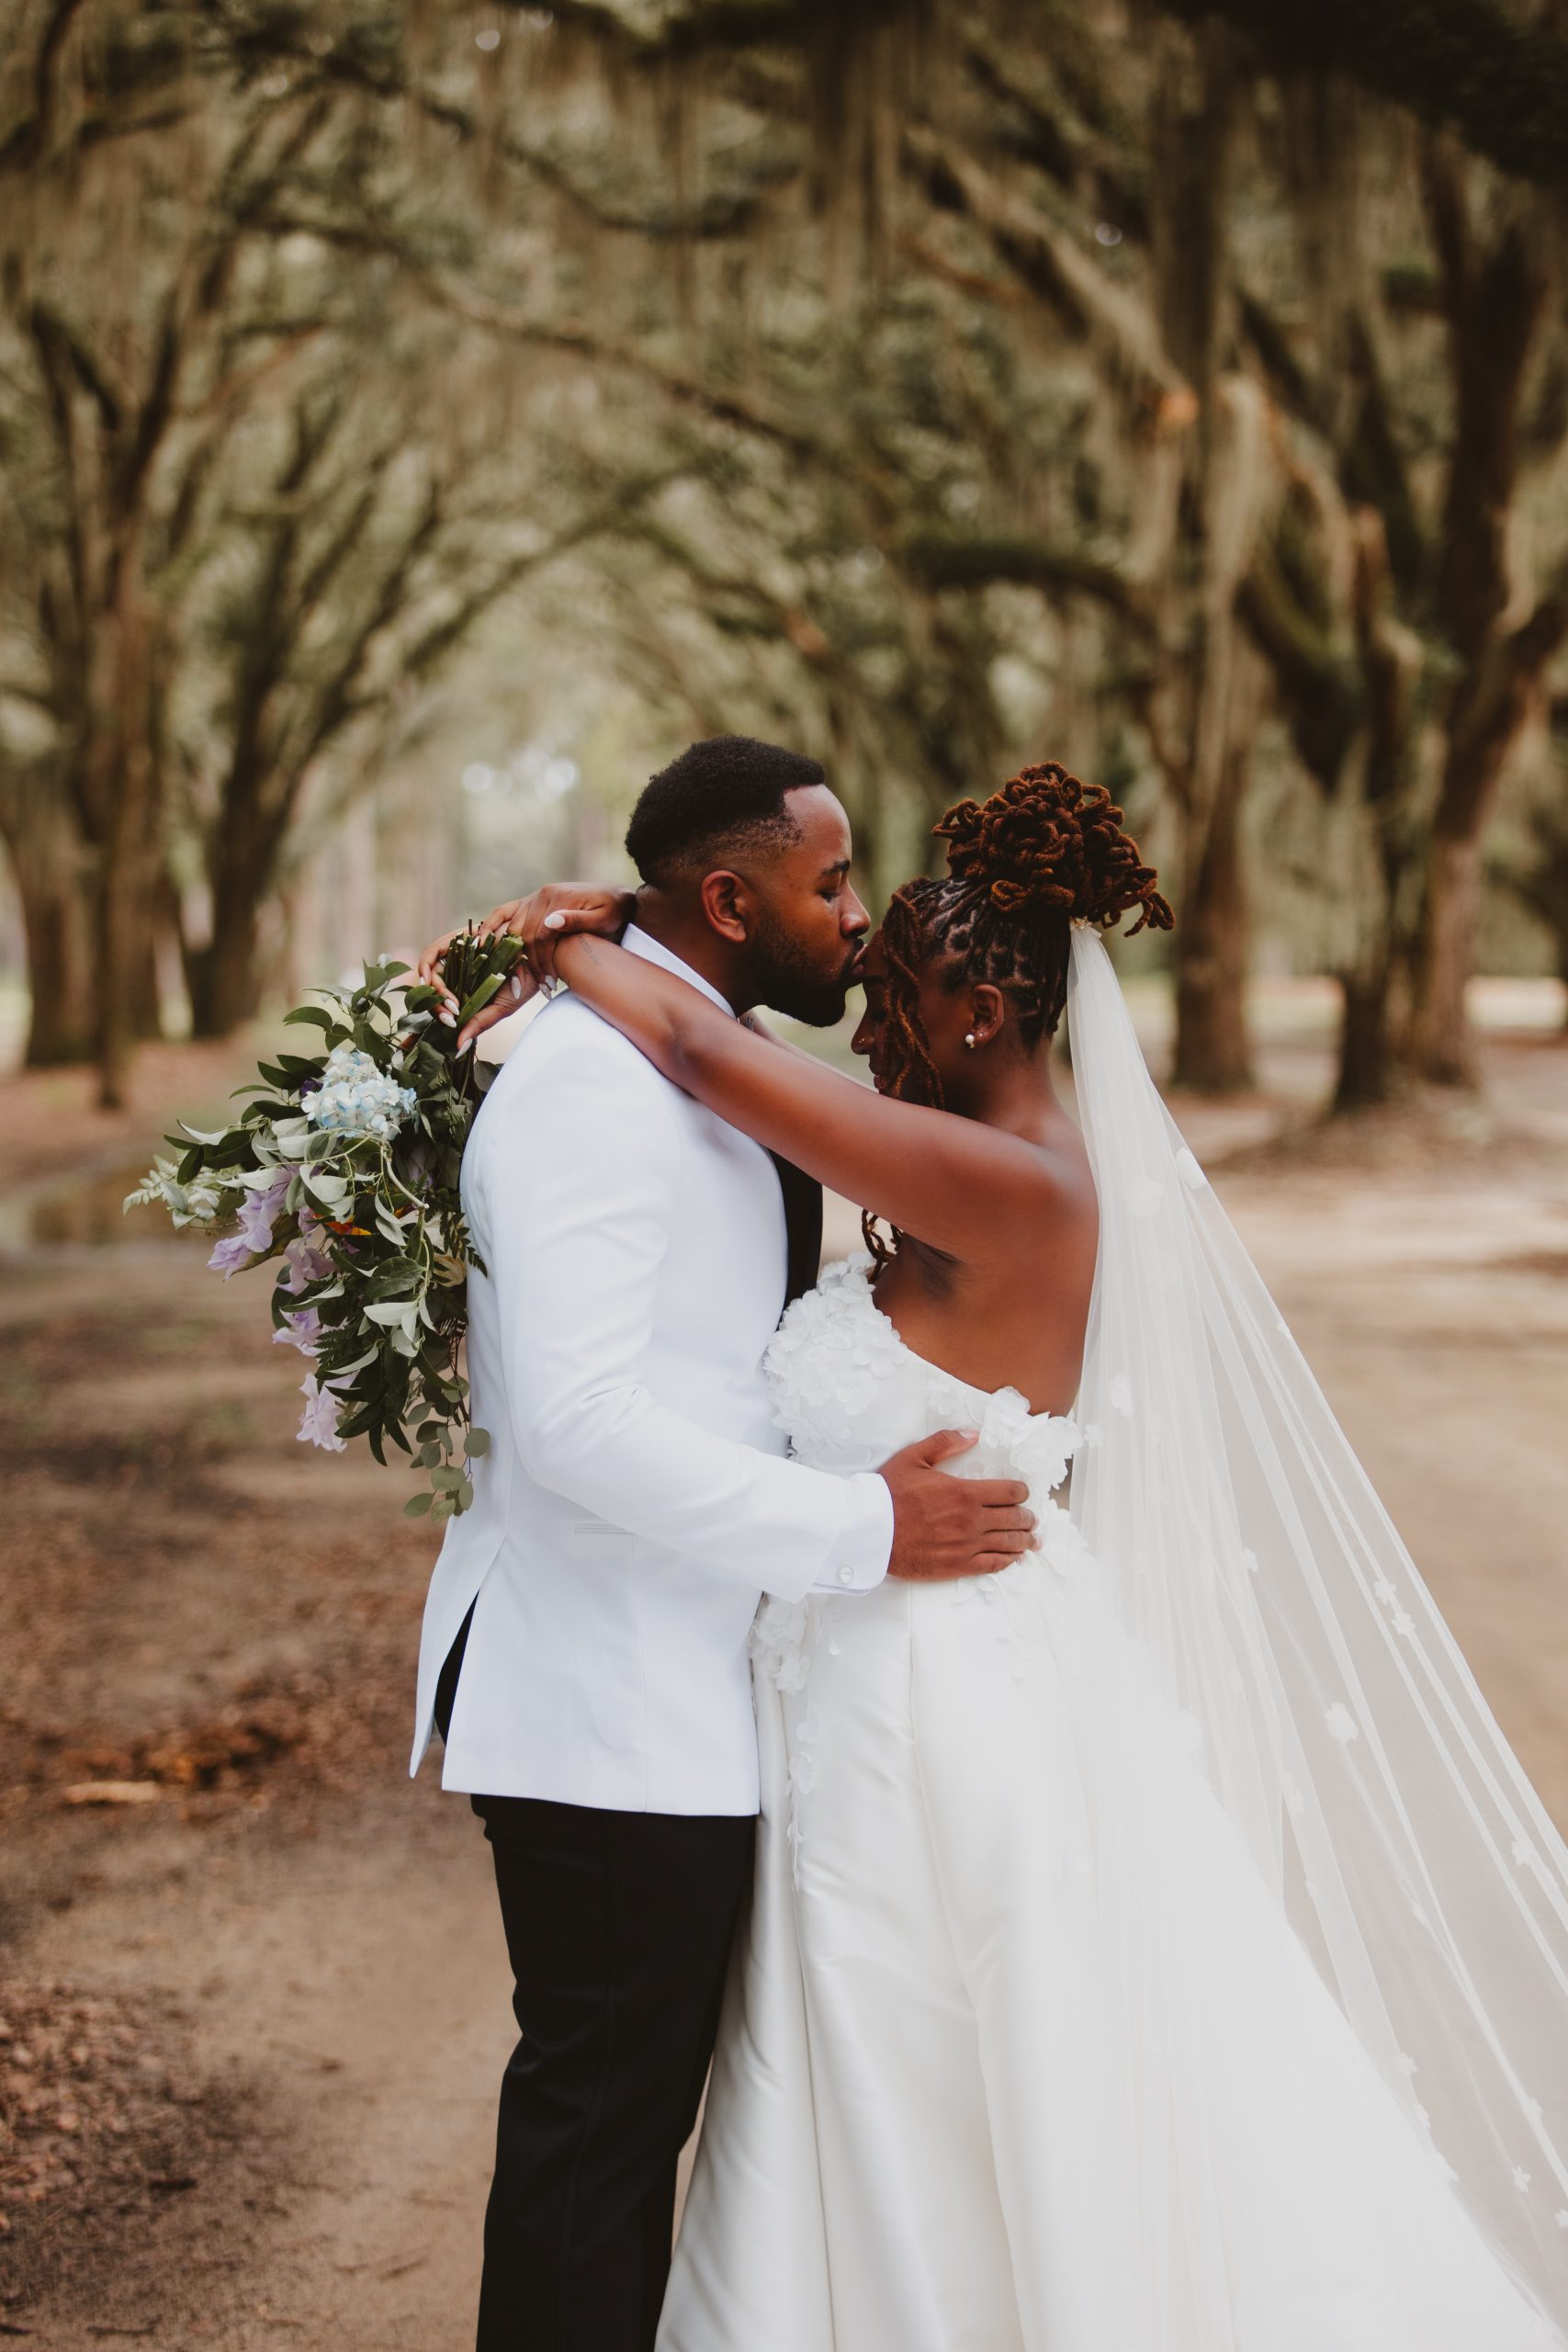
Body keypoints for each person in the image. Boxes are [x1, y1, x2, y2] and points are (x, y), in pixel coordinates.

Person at [447, 760, 1568, 2351]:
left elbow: (699, 1046)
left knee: (962, 2060)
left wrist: (562, 934)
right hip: (851, 1685)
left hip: (945, 1693)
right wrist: (622, 931)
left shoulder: (1007, 1182)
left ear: (980, 1013)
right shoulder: (960, 1149)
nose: (862, 1010)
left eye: (888, 992)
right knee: (869, 2074)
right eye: (836, 905)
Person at [408, 734, 1038, 2352]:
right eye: (830, 883)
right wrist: (861, 1522)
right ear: (732, 902)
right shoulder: (593, 1090)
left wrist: (598, 928)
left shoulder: (689, 1053)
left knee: (626, 2132)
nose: (856, 915)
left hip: (679, 1685)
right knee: (599, 2135)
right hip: (604, 1694)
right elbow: (579, 1425)